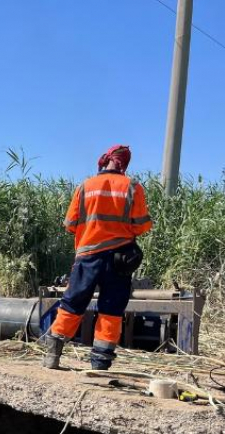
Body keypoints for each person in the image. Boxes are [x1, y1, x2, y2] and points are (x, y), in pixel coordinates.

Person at [42, 145, 153, 370]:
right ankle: (100, 364)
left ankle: (52, 357)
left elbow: (70, 225)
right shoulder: (132, 187)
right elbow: (142, 226)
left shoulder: (85, 186)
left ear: (106, 160)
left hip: (87, 256)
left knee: (72, 303)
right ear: (124, 163)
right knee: (111, 309)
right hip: (119, 259)